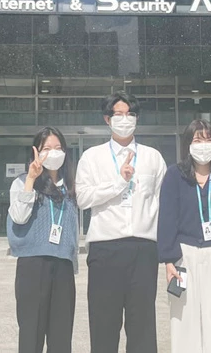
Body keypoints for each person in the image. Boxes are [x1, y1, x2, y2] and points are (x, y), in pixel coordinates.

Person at [75, 91, 167, 353]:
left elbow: (162, 203)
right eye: (118, 114)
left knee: (142, 326)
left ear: (137, 119)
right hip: (106, 249)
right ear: (107, 119)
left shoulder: (152, 157)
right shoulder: (92, 157)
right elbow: (82, 198)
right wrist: (119, 182)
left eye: (130, 114)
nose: (125, 119)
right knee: (104, 324)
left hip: (143, 249)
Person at [157, 119, 211, 353]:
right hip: (184, 254)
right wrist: (168, 259)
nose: (203, 145)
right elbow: (167, 218)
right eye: (197, 140)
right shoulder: (175, 175)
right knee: (183, 318)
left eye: (208, 139)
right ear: (188, 144)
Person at [8, 126, 79, 353]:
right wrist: (31, 179)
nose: (53, 153)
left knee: (61, 336)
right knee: (31, 332)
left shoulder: (70, 186)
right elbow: (19, 217)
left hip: (63, 265)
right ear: (36, 153)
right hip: (33, 264)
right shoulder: (22, 182)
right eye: (46, 148)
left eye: (58, 148)